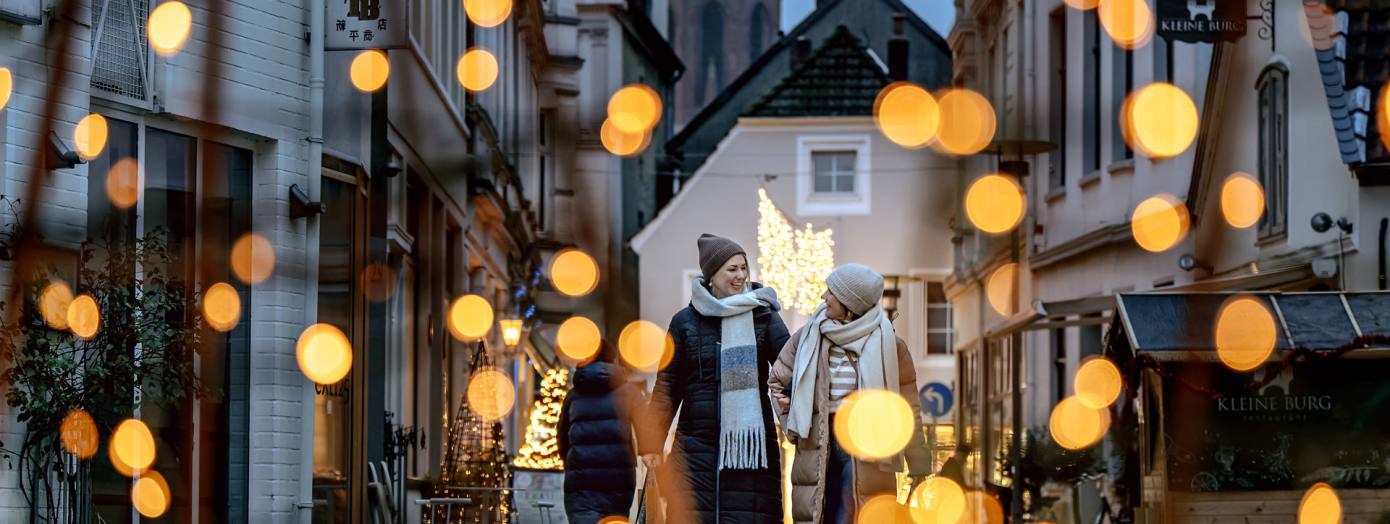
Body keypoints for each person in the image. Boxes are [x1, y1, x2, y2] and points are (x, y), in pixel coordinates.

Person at [639, 233, 791, 524]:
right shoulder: (685, 322)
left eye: (744, 268)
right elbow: (668, 386)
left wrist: (791, 397)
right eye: (732, 269)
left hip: (750, 449)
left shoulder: (764, 316)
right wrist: (650, 442)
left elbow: (791, 367)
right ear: (712, 274)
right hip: (696, 448)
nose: (741, 275)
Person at [768, 263, 933, 524]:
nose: (824, 297)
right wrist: (793, 422)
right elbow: (777, 380)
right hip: (818, 439)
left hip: (866, 442)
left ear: (850, 303)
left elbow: (908, 407)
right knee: (822, 512)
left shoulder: (890, 344)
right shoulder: (808, 336)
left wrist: (919, 462)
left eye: (832, 292)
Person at [557, 341, 644, 524]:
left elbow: (562, 438)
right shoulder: (630, 392)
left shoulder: (573, 396)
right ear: (614, 360)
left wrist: (572, 463)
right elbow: (648, 430)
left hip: (581, 481)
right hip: (618, 480)